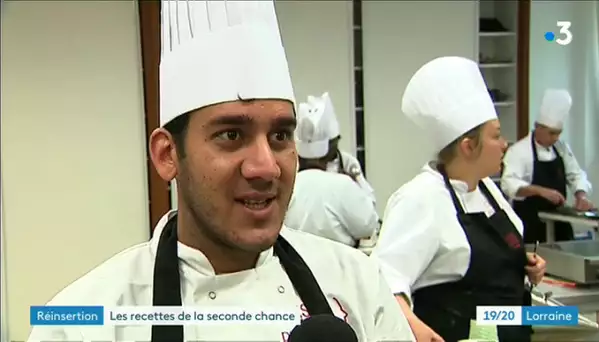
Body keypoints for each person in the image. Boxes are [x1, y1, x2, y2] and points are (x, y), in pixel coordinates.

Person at [27, 1, 416, 341]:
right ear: (167, 155)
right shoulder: (82, 322)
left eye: (281, 135)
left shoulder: (359, 284)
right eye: (231, 134)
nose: (266, 166)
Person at [371, 56, 546, 342]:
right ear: (468, 146)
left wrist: (521, 264)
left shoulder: (488, 190)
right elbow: (384, 279)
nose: (505, 144)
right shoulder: (422, 198)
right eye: (496, 136)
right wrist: (414, 326)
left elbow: (476, 258)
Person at [501, 89, 593, 243]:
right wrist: (540, 191)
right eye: (552, 133)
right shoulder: (519, 151)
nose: (556, 138)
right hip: (530, 226)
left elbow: (575, 174)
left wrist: (580, 195)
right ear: (538, 127)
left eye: (558, 133)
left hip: (559, 225)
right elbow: (508, 184)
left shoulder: (561, 148)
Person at [284, 100, 380, 249]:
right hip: (340, 267)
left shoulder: (286, 184)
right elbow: (368, 224)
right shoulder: (343, 184)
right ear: (331, 149)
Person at [304, 92, 376, 205]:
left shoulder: (347, 162)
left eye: (332, 143)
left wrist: (353, 187)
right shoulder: (300, 165)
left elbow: (370, 202)